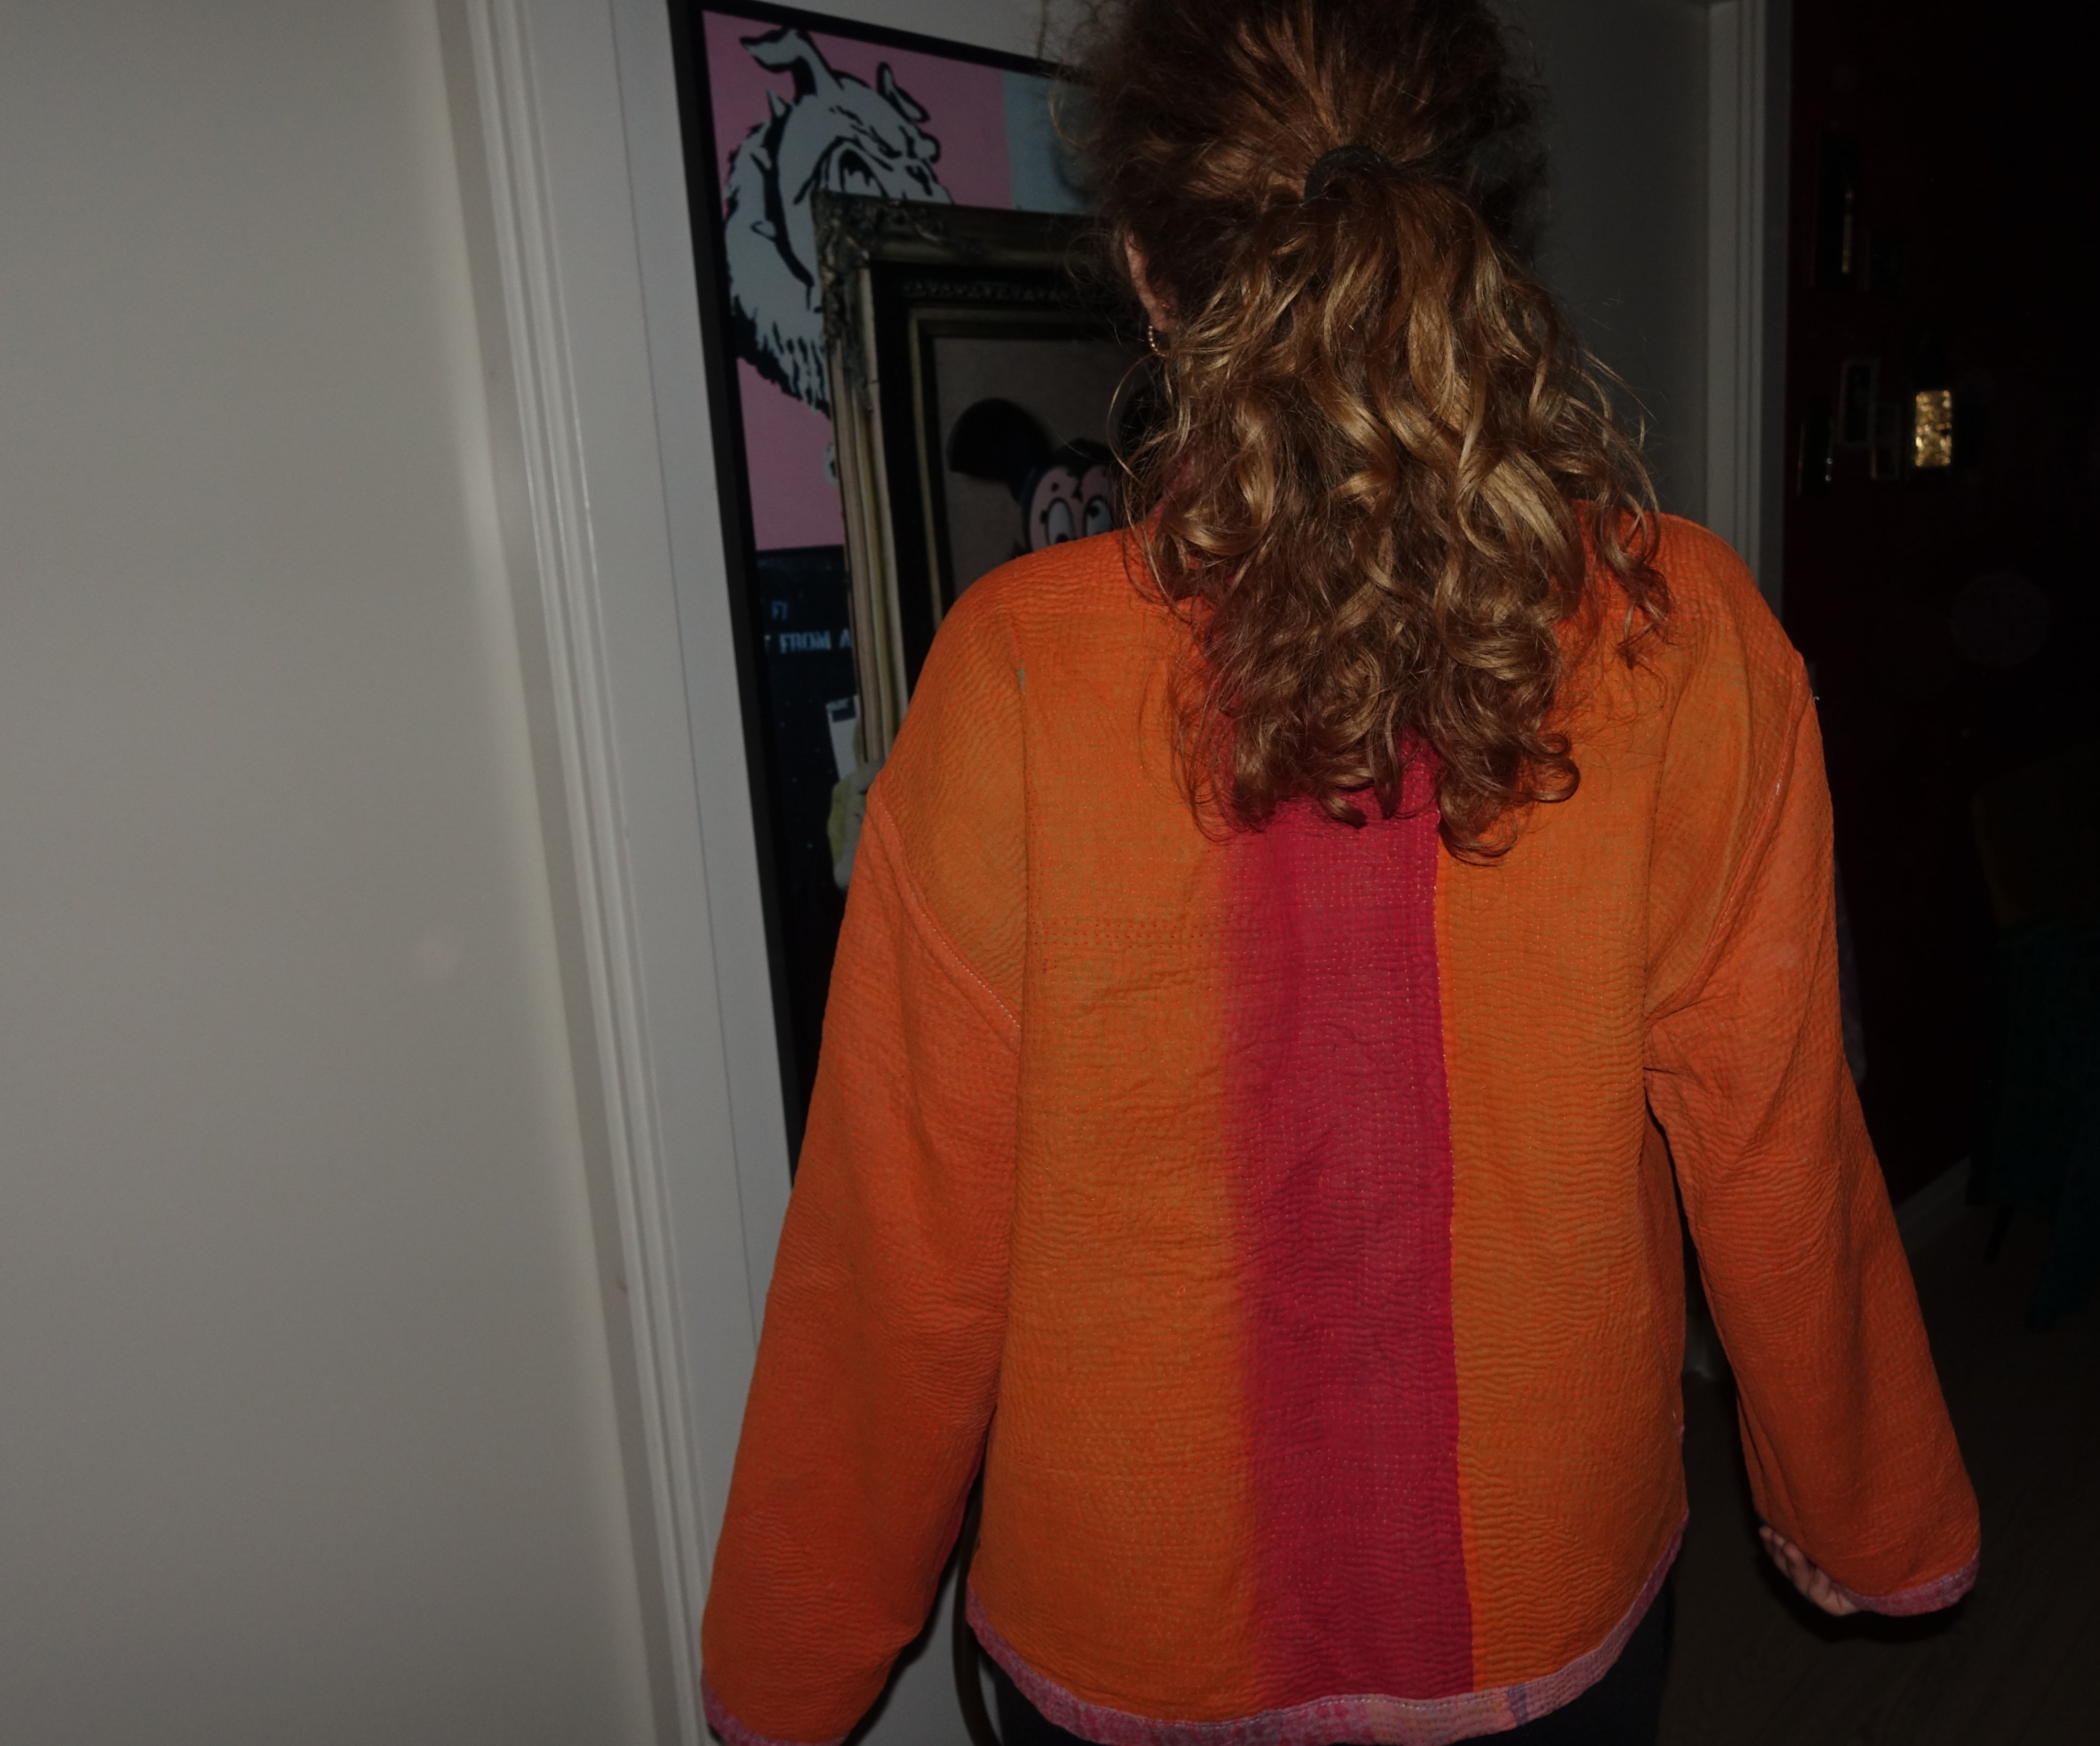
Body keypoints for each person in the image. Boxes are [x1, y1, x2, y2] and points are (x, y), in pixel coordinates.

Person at [696, 2, 1980, 1742]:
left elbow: (898, 1235)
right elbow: (1779, 1142)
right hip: (1537, 1599)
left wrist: (794, 1661)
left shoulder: (1015, 672)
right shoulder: (1680, 635)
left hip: (1133, 1636)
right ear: (1470, 228)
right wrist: (1864, 1506)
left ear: (1149, 276)